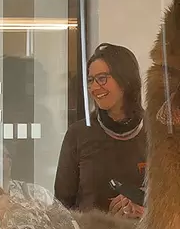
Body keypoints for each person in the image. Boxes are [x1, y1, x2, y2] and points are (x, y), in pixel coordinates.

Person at [54, 43, 147, 216]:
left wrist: (145, 211)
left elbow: (176, 200)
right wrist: (105, 219)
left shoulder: (156, 133)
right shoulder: (78, 134)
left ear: (125, 80)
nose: (95, 88)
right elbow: (61, 209)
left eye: (102, 78)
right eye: (90, 80)